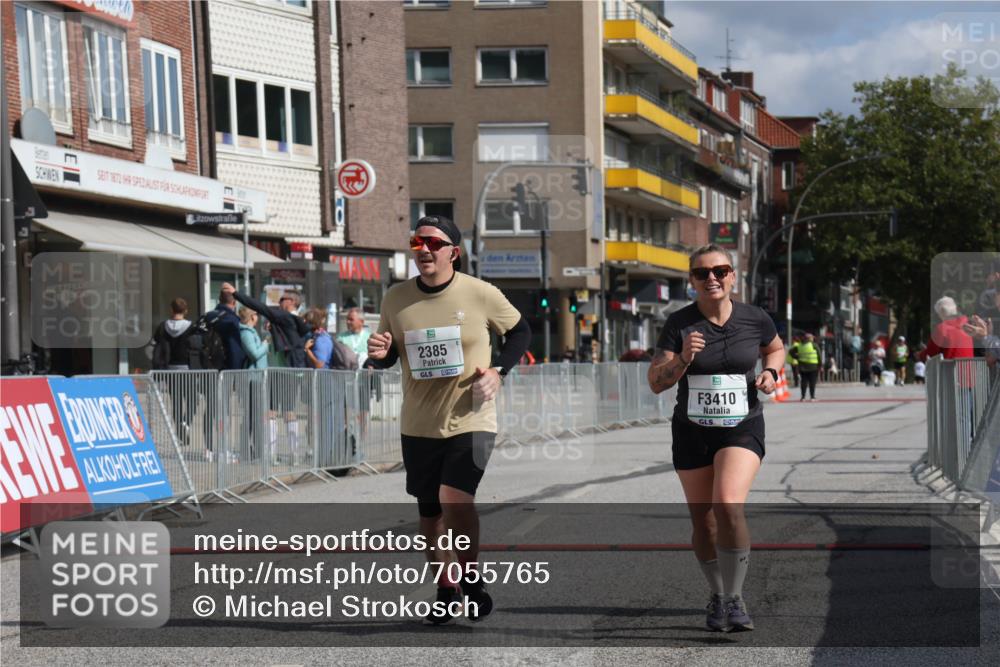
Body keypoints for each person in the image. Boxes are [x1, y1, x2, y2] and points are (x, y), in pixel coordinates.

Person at [367, 215, 531, 625]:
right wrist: (379, 351)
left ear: (453, 253)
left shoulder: (480, 293)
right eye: (417, 242)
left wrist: (498, 371)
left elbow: (521, 332)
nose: (423, 249)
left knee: (454, 499)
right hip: (419, 423)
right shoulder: (396, 298)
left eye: (433, 243)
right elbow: (388, 355)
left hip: (471, 417)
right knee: (429, 512)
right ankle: (446, 588)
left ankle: (472, 579)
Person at [647, 244, 784, 633]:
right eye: (702, 273)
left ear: (733, 275)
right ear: (691, 280)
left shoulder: (755, 318)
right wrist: (682, 360)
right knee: (704, 522)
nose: (712, 278)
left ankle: (734, 598)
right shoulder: (679, 323)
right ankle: (717, 592)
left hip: (742, 425)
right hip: (691, 431)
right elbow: (656, 382)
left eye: (720, 271)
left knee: (727, 504)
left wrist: (772, 373)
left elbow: (775, 349)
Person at [222, 283, 311, 368]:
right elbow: (290, 339)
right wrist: (274, 327)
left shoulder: (287, 317)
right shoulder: (295, 320)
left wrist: (235, 293)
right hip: (294, 369)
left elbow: (261, 308)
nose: (279, 303)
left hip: (290, 373)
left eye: (282, 300)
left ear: (292, 302)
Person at [238, 308, 268, 461]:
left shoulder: (251, 332)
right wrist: (265, 345)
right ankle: (247, 451)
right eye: (256, 314)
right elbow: (254, 354)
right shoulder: (246, 333)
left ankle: (257, 451)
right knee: (251, 416)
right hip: (252, 378)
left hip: (258, 377)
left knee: (256, 416)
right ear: (251, 317)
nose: (258, 317)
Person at [917, 297, 975, 362]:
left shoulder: (942, 328)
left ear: (942, 311)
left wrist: (920, 355)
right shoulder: (968, 326)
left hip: (949, 370)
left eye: (938, 314)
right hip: (969, 370)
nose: (939, 316)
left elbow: (931, 354)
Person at [796, 333, 820, 402]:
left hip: (802, 367)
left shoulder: (799, 345)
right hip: (813, 367)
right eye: (812, 338)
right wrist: (820, 365)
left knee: (803, 382)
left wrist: (797, 357)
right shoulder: (814, 345)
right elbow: (819, 355)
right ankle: (812, 397)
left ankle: (803, 397)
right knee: (812, 382)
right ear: (810, 339)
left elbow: (791, 352)